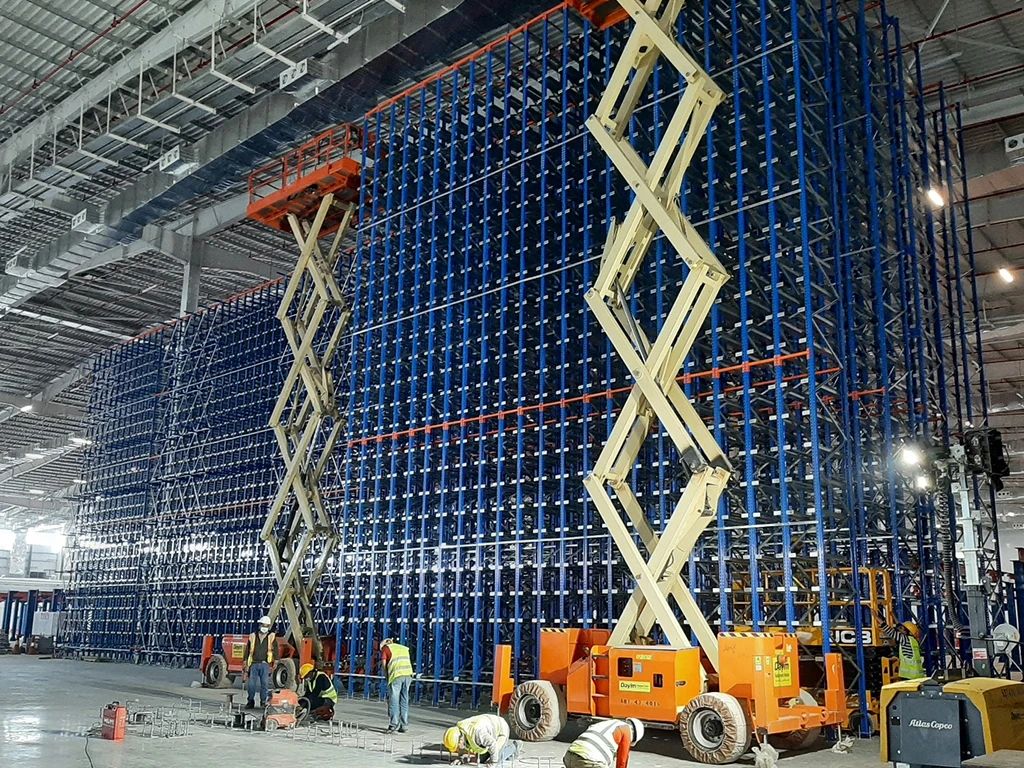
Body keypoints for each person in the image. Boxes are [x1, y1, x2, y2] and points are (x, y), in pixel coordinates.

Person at [563, 718, 644, 768]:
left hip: (569, 756)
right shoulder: (627, 730)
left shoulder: (608, 723)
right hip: (589, 761)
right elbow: (622, 762)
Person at [443, 714, 521, 764]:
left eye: (457, 747)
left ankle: (515, 746)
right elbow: (464, 750)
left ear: (460, 740)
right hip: (488, 732)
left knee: (497, 759)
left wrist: (493, 763)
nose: (457, 750)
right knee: (481, 760)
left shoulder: (477, 733)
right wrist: (461, 759)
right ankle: (508, 753)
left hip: (501, 730)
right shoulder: (460, 732)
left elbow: (492, 744)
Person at [381, 637, 414, 733]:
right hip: (408, 675)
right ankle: (404, 725)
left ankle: (393, 724)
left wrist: (387, 677)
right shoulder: (403, 648)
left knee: (394, 700)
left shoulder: (385, 648)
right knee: (404, 700)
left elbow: (383, 664)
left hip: (396, 676)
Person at [243, 615, 275, 709]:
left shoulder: (271, 637)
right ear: (260, 625)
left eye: (266, 626)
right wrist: (245, 662)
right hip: (254, 664)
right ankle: (250, 701)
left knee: (264, 684)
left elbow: (275, 650)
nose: (264, 627)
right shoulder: (253, 636)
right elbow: (248, 650)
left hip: (265, 664)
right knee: (251, 685)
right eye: (263, 625)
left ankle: (263, 701)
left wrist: (275, 663)